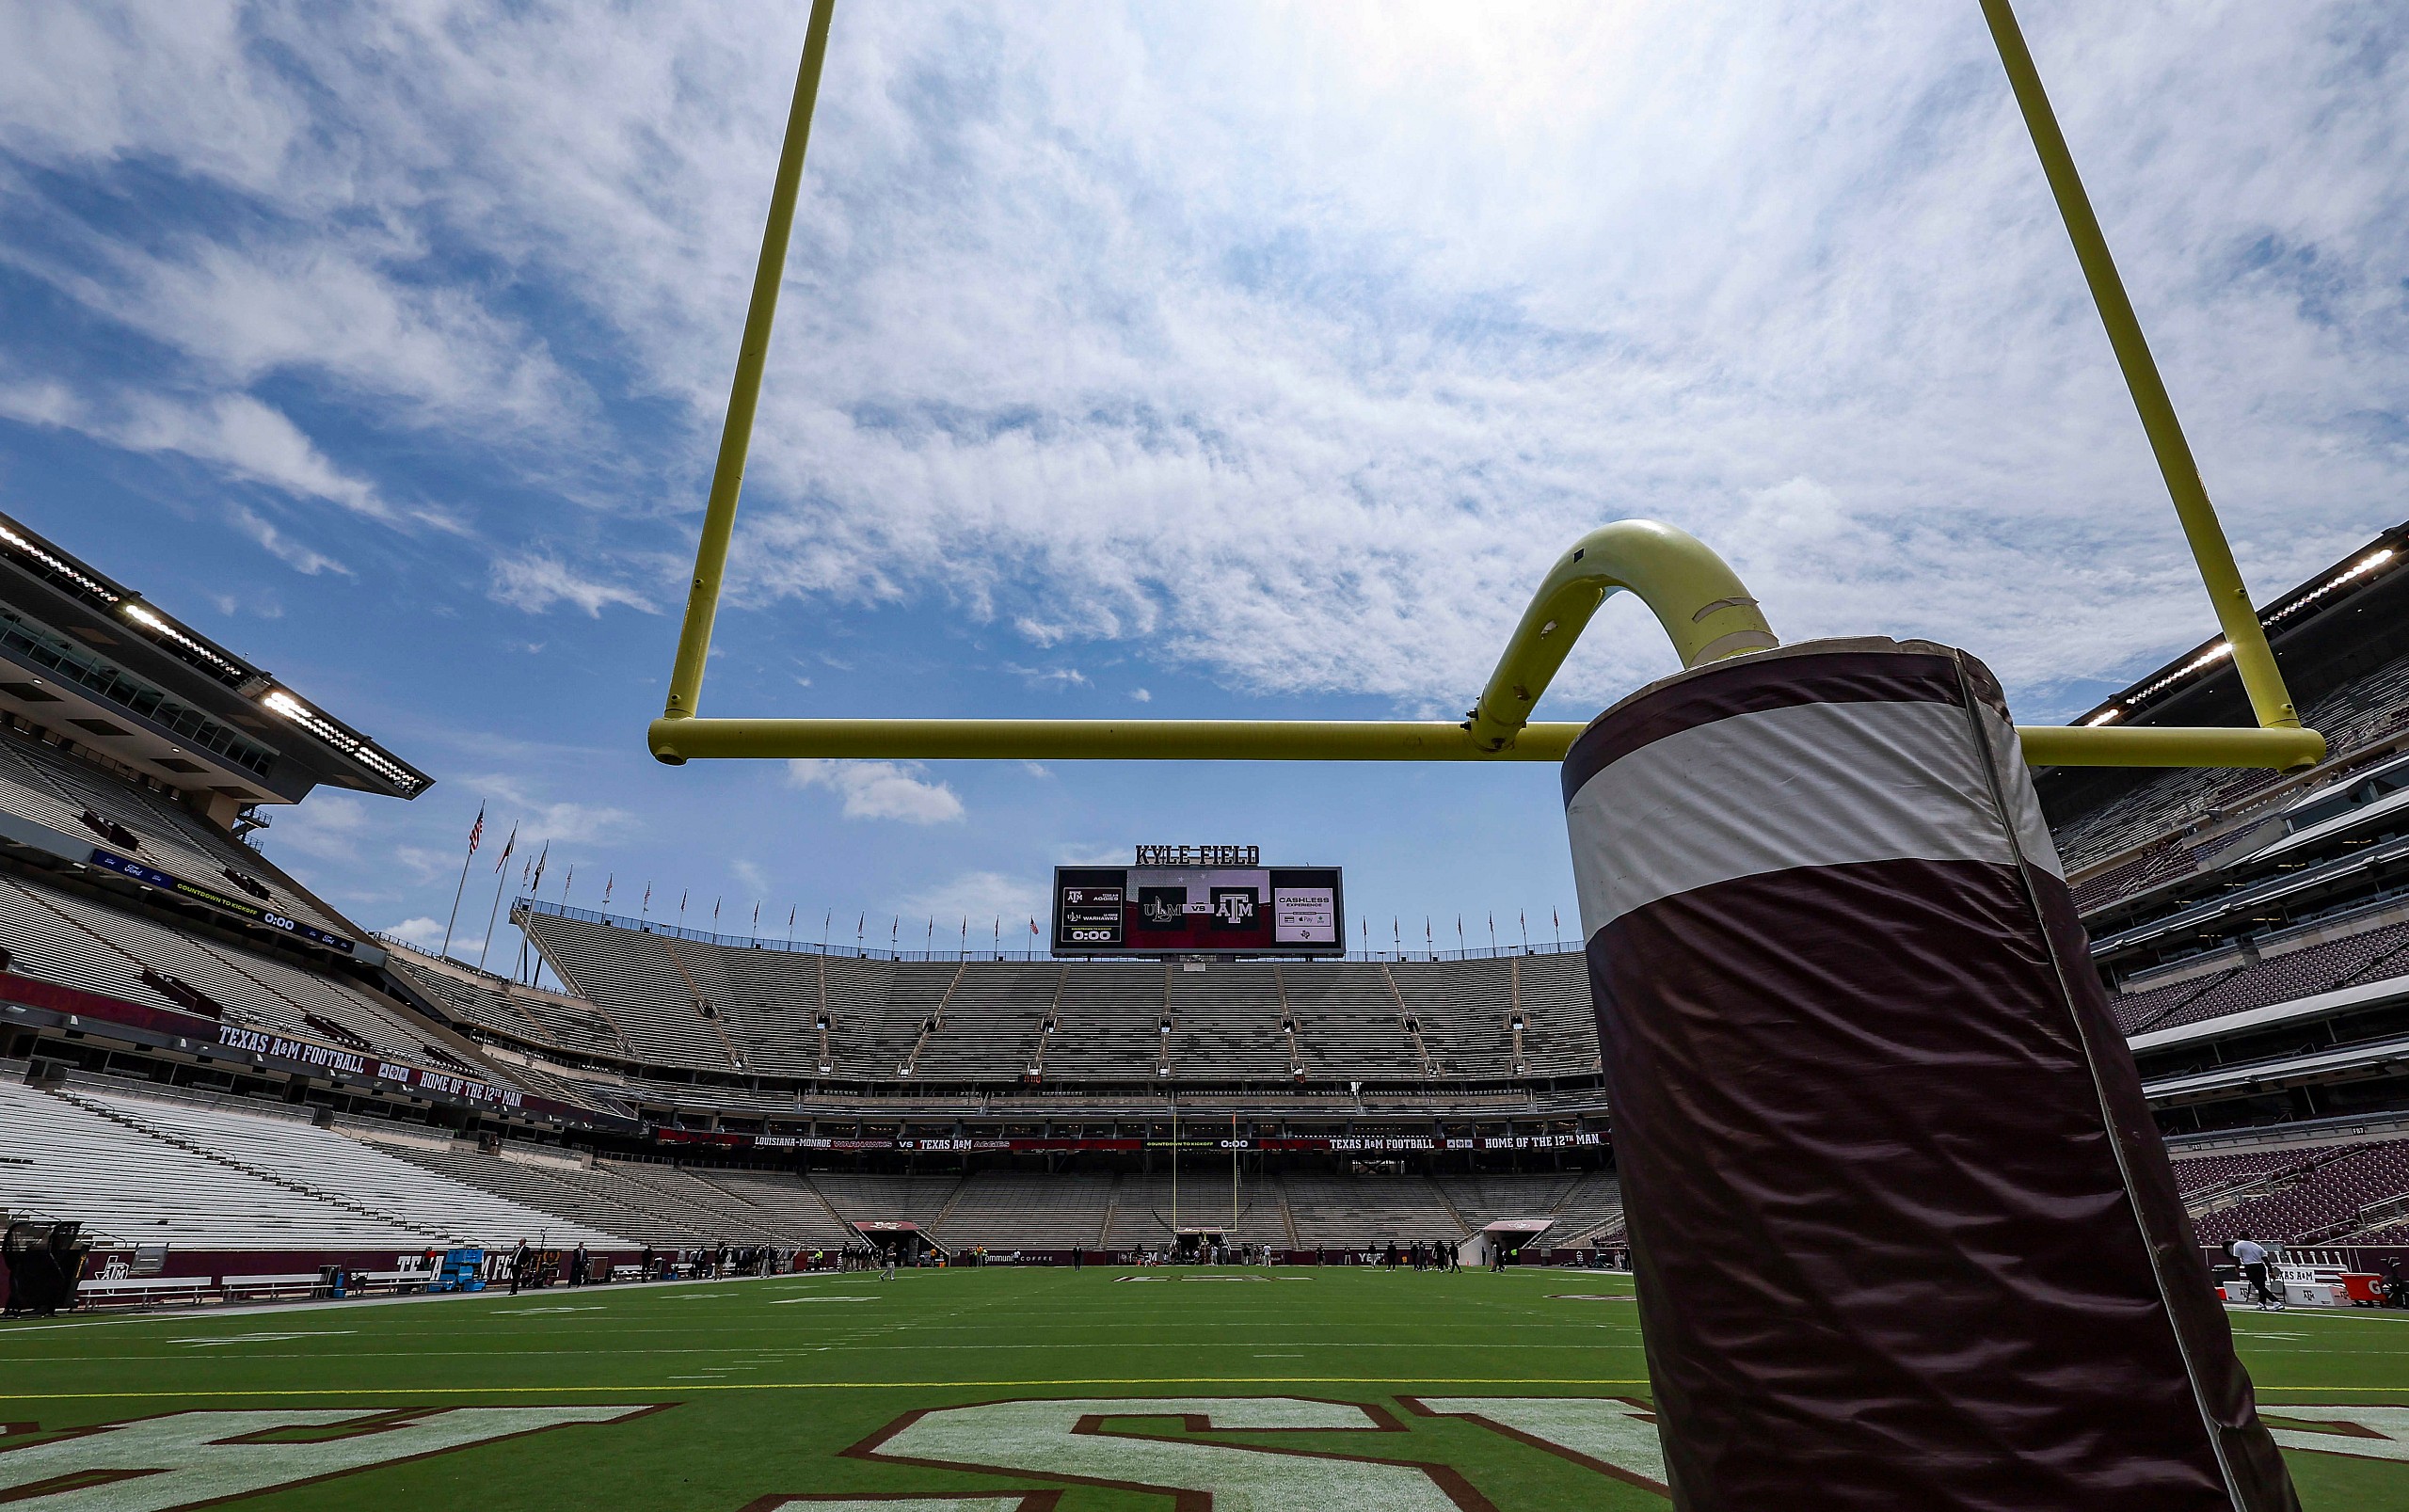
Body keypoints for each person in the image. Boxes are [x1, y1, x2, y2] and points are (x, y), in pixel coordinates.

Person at [2229, 1233, 2283, 1311]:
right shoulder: (2256, 1246)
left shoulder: (2238, 1245)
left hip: (2250, 1266)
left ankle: (2276, 1301)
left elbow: (2237, 1258)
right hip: (2261, 1266)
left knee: (2259, 1286)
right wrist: (2270, 1271)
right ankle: (2262, 1303)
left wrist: (2237, 1267)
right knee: (2261, 1286)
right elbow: (2266, 1260)